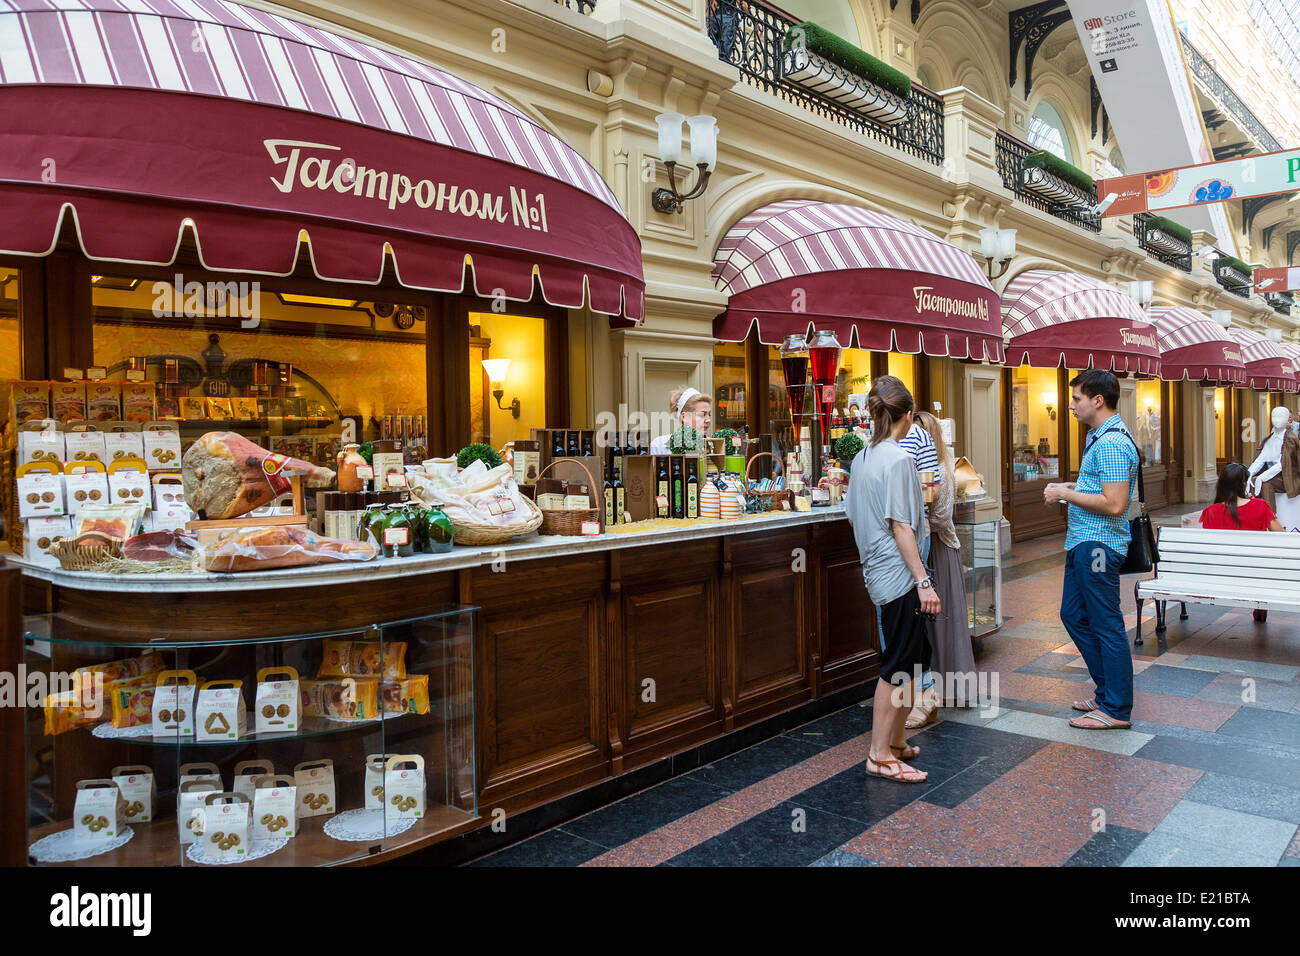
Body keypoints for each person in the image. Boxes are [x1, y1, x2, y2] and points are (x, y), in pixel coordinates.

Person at [843, 376, 938, 783]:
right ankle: (879, 755)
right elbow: (902, 526)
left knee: (914, 658)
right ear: (909, 416)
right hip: (899, 575)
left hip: (878, 570)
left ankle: (896, 741)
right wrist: (923, 582)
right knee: (898, 663)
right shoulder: (898, 459)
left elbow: (852, 515)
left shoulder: (863, 457)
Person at [1043, 369, 1139, 731]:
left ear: (1098, 401)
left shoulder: (1112, 442)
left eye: (1077, 398)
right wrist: (1073, 486)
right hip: (1085, 540)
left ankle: (1115, 708)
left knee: (1106, 623)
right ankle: (1106, 692)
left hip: (1098, 545)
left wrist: (1065, 494)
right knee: (1073, 615)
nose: (1071, 405)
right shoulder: (1101, 437)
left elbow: (1114, 504)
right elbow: (1103, 489)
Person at [914, 410, 977, 705]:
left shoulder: (942, 469)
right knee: (928, 623)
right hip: (926, 546)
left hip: (938, 547)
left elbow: (940, 518)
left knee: (943, 621)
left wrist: (913, 519)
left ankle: (948, 690)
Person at [1201, 462, 1285, 622]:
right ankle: (1260, 603)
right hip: (1256, 573)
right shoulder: (1261, 506)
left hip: (1221, 574)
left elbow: (1210, 545)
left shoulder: (1210, 512)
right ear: (1244, 484)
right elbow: (1282, 536)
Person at [649, 386, 712, 454]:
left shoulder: (714, 446)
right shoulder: (659, 445)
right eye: (702, 415)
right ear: (684, 417)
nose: (708, 420)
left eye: (709, 414)